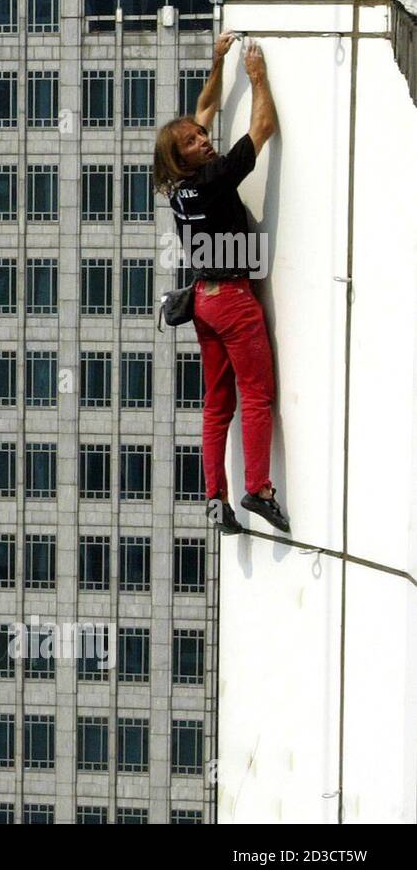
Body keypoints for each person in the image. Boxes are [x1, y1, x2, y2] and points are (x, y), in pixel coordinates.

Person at [154, 32, 289, 534]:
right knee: (256, 396)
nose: (203, 139)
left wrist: (216, 63)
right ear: (183, 158)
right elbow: (264, 126)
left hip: (204, 303)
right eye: (193, 142)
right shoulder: (213, 177)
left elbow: (204, 107)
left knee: (216, 406)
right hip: (231, 299)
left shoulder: (180, 188)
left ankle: (216, 498)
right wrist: (257, 78)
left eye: (200, 135)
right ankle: (259, 487)